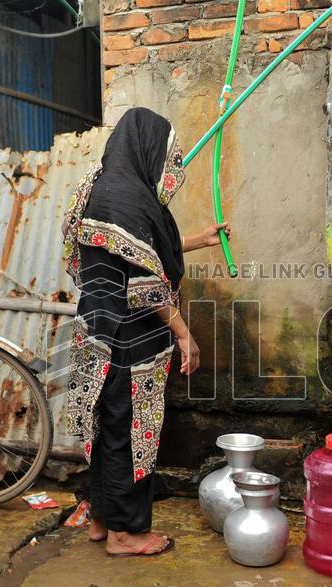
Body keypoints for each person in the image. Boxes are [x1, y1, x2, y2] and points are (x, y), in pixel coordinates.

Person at [63, 108, 230, 556]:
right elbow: (145, 285)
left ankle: (102, 519)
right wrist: (184, 333)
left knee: (105, 429)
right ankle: (125, 534)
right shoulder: (129, 199)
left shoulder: (97, 187)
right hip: (128, 339)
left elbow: (124, 254)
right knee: (129, 433)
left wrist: (197, 240)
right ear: (148, 150)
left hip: (95, 331)